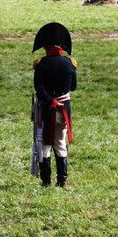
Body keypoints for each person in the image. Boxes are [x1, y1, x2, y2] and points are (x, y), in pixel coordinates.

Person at [32, 32, 77, 188]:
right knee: (60, 143)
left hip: (46, 108)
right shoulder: (70, 63)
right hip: (63, 110)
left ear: (46, 48)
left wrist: (50, 100)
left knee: (45, 144)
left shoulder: (40, 64)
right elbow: (73, 87)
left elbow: (39, 89)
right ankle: (62, 180)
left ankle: (45, 181)